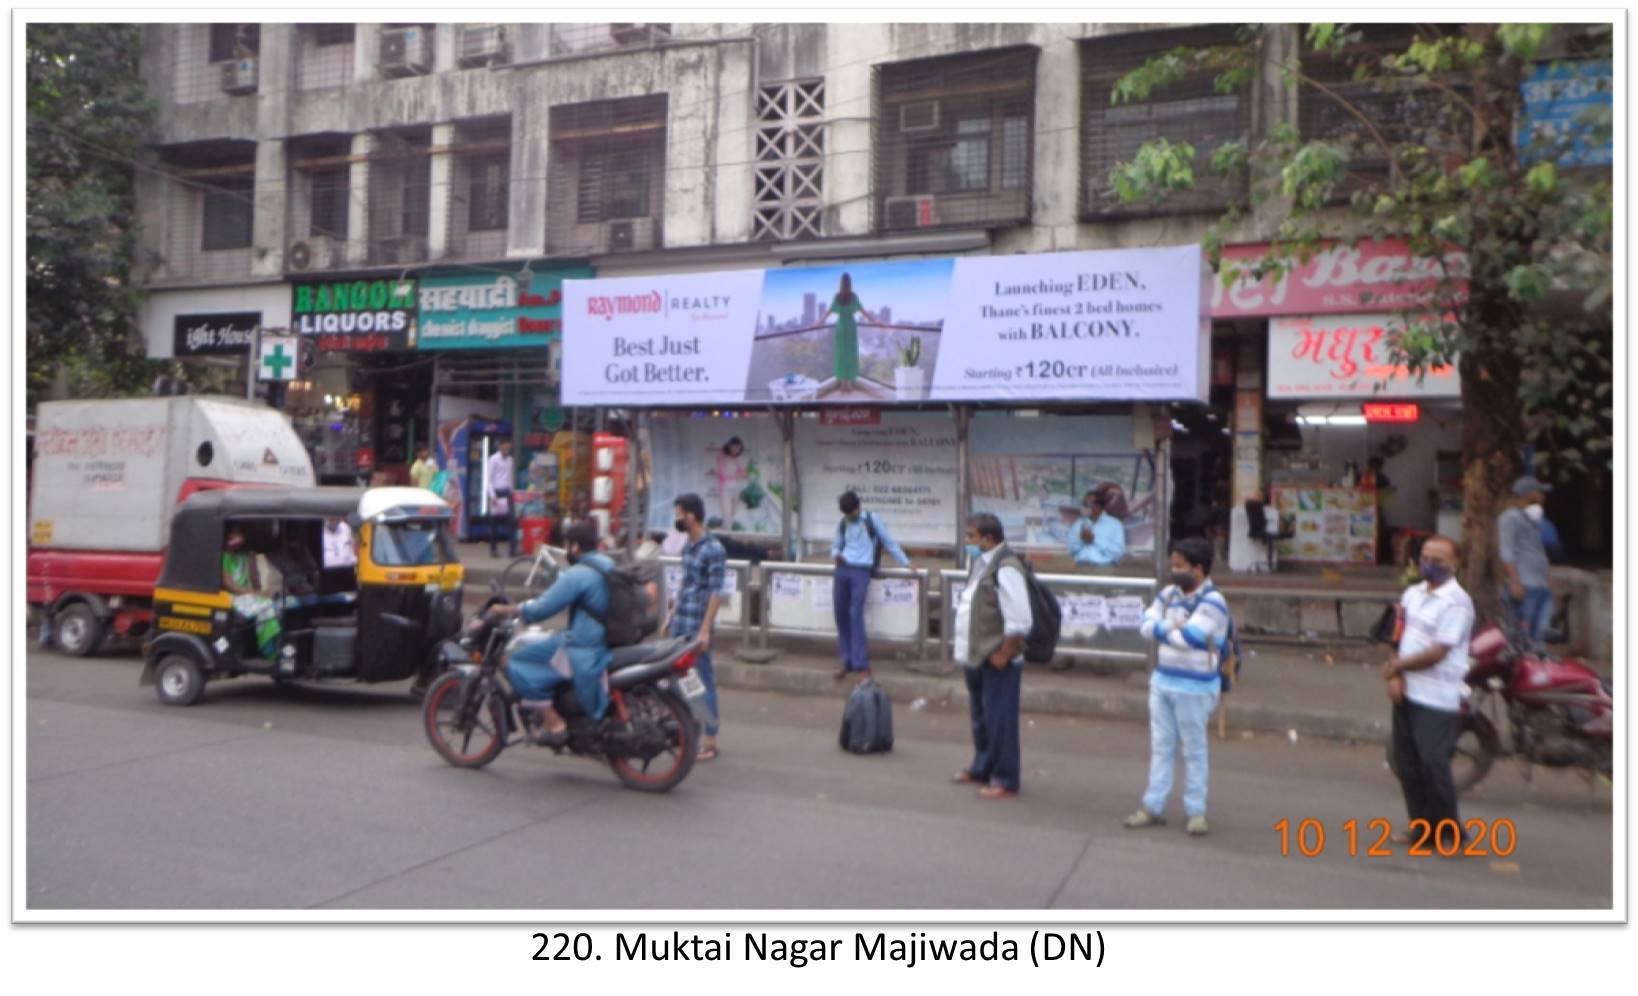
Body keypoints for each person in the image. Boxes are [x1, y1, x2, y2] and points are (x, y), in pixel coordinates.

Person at [1126, 537, 1232, 836]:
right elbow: (1144, 626)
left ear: (1198, 569)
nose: (1173, 571)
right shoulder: (1169, 594)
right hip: (1162, 682)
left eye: (1179, 566)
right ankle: (1152, 805)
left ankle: (1196, 811)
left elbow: (1192, 639)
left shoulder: (1214, 602)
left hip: (1196, 688)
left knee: (1194, 751)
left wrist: (1164, 629)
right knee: (1161, 747)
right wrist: (1169, 629)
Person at [1383, 535, 1475, 850]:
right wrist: (1396, 675)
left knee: (1434, 764)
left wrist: (1399, 667)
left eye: (1439, 560)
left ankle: (1449, 832)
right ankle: (1421, 829)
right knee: (1407, 764)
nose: (1430, 565)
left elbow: (1438, 652)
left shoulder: (1457, 603)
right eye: (1425, 557)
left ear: (1455, 564)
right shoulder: (1412, 594)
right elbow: (1398, 634)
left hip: (1438, 698)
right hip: (1407, 692)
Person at [485, 521, 614, 742]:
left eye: (567, 545)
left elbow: (542, 608)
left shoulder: (578, 574)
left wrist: (508, 609)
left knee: (518, 660)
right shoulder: (608, 563)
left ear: (574, 547)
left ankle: (554, 722)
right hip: (605, 639)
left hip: (582, 644)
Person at [951, 513, 1032, 800]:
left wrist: (1005, 653)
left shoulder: (1006, 567)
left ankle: (1005, 779)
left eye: (971, 537)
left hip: (998, 658)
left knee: (1000, 721)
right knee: (981, 718)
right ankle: (982, 766)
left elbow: (1020, 619)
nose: (967, 542)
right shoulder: (981, 563)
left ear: (989, 539)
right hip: (977, 655)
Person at [665, 493, 728, 761]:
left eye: (680, 513)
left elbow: (716, 592)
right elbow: (686, 583)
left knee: (702, 681)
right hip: (681, 622)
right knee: (680, 681)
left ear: (691, 515)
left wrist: (705, 629)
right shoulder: (688, 546)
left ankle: (710, 740)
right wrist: (671, 614)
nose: (677, 519)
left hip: (697, 626)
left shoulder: (713, 549)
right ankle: (688, 730)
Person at [830, 490, 911, 682]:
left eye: (851, 512)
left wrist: (906, 563)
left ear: (858, 507)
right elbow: (835, 545)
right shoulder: (843, 524)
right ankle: (846, 660)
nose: (849, 516)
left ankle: (861, 665)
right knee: (841, 615)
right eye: (846, 514)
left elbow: (888, 542)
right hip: (842, 569)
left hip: (861, 572)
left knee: (855, 615)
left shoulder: (872, 520)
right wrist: (836, 555)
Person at [1497, 475, 1553, 646]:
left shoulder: (1536, 520)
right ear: (1529, 494)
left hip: (1540, 585)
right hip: (1525, 585)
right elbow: (1506, 551)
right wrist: (1515, 582)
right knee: (1522, 637)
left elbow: (1538, 552)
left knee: (1539, 635)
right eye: (1539, 493)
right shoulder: (1510, 518)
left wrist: (1547, 580)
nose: (1543, 497)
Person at [222, 526, 281, 658]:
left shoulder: (245, 555)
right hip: (233, 598)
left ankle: (274, 642)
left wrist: (262, 592)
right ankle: (267, 648)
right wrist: (256, 594)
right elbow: (229, 585)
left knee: (277, 604)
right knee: (266, 607)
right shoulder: (225, 557)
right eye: (233, 537)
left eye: (239, 536)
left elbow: (254, 578)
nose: (236, 540)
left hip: (248, 596)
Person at [821, 272, 881, 395]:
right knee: (850, 354)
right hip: (851, 327)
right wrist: (874, 321)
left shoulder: (837, 297)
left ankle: (843, 384)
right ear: (850, 283)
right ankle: (849, 384)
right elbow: (863, 311)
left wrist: (818, 323)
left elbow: (828, 312)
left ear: (841, 284)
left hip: (841, 326)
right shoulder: (853, 296)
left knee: (841, 354)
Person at [1066, 490, 1126, 573]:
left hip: (1104, 568)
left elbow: (1117, 553)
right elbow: (1071, 549)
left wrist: (1094, 540)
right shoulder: (1078, 523)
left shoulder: (1115, 524)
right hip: (1080, 566)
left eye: (1088, 505)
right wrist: (1082, 541)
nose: (1085, 508)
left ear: (1099, 506)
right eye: (1084, 505)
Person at [487, 439, 519, 559]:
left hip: (507, 492)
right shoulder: (493, 459)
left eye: (509, 447)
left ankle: (512, 549)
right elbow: (489, 479)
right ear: (500, 446)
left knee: (511, 521)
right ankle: (493, 549)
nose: (507, 449)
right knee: (494, 523)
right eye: (505, 446)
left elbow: (510, 477)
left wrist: (512, 492)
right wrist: (492, 495)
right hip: (496, 492)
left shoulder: (511, 460)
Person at [713, 437, 749, 530]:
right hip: (725, 488)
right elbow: (721, 474)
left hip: (736, 488)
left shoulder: (736, 459)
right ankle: (725, 533)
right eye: (735, 447)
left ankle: (727, 532)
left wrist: (743, 473)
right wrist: (738, 475)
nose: (737, 450)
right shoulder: (722, 457)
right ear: (729, 446)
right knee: (726, 513)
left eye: (739, 449)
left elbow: (742, 471)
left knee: (733, 513)